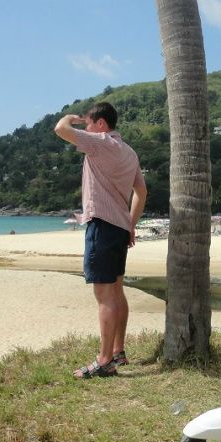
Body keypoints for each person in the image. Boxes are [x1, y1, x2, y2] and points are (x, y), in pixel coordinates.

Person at [54, 101, 147, 378]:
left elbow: (60, 129)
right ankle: (118, 351)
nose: (87, 128)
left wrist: (72, 119)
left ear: (101, 125)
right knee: (116, 291)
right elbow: (141, 190)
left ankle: (105, 360)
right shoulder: (129, 152)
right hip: (119, 227)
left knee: (104, 296)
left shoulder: (100, 142)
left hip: (103, 225)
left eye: (90, 123)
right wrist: (131, 224)